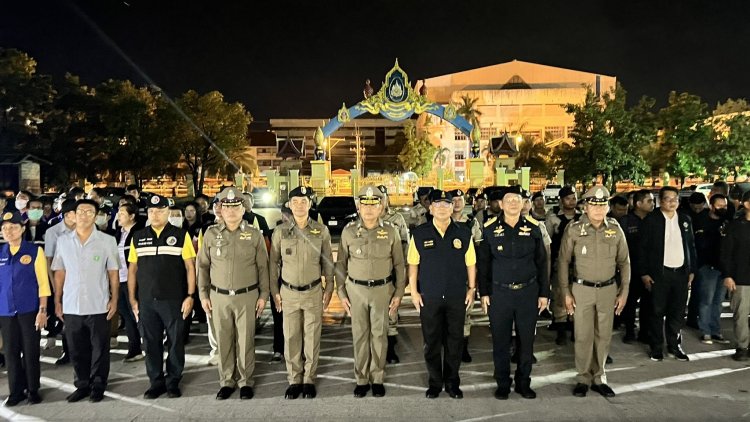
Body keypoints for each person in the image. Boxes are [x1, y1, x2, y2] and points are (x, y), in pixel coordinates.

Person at [197, 187, 270, 400]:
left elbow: (263, 267)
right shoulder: (211, 234)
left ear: (243, 209)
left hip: (246, 295)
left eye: (235, 206)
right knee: (224, 340)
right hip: (218, 297)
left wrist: (263, 295)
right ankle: (227, 381)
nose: (230, 211)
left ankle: (246, 381)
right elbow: (202, 266)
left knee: (246, 340)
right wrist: (203, 295)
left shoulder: (254, 234)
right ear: (221, 209)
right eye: (226, 207)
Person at [558, 186, 630, 398]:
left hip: (608, 289)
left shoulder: (615, 229)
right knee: (582, 336)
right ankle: (583, 378)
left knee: (604, 336)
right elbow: (563, 262)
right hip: (582, 289)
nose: (598, 210)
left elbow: (624, 263)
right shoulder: (574, 229)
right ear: (585, 207)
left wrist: (624, 291)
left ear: (607, 207)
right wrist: (566, 292)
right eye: (594, 205)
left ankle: (599, 377)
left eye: (602, 205)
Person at [478, 186, 548, 400]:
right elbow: (484, 264)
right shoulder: (489, 228)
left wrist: (544, 294)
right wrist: (484, 293)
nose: (513, 203)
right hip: (500, 294)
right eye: (508, 200)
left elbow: (542, 262)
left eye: (517, 199)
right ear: (501, 204)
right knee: (500, 341)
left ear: (523, 203)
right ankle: (502, 383)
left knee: (526, 342)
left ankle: (523, 382)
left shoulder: (534, 227)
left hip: (528, 293)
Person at [335, 185, 406, 398]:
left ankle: (377, 378)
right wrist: (341, 291)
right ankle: (361, 379)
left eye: (373, 204)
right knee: (360, 336)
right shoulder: (348, 231)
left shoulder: (391, 231)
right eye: (364, 204)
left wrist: (399, 293)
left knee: (379, 336)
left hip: (382, 290)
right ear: (358, 206)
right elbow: (340, 264)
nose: (368, 209)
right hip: (356, 290)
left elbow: (399, 265)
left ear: (382, 206)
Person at [408, 189, 476, 399]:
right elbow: (413, 264)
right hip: (430, 297)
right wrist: (414, 292)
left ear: (453, 207)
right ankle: (435, 383)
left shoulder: (464, 232)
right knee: (432, 342)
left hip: (456, 296)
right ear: (430, 208)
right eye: (438, 204)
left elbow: (471, 263)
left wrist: (472, 289)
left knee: (455, 342)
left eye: (447, 204)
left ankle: (452, 382)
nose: (443, 208)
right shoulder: (419, 234)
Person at [51, 199, 120, 403]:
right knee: (76, 347)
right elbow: (60, 273)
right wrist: (58, 300)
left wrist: (114, 299)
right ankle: (82, 384)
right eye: (80, 211)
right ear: (73, 214)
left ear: (95, 215)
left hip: (98, 303)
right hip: (72, 303)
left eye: (89, 211)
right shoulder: (63, 241)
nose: (84, 214)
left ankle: (98, 384)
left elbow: (113, 274)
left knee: (100, 347)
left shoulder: (107, 241)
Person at [128, 195, 196, 399]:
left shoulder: (181, 235)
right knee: (150, 342)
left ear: (168, 212)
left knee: (175, 342)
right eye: (151, 211)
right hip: (147, 301)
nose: (155, 214)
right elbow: (132, 270)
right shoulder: (138, 236)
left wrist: (190, 295)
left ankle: (173, 380)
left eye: (159, 211)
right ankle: (156, 381)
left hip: (174, 299)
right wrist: (133, 299)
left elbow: (190, 268)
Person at [270, 186, 335, 400]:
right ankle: (294, 379)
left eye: (304, 201)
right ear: (289, 204)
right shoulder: (280, 231)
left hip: (313, 291)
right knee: (291, 337)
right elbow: (273, 264)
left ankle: (309, 379)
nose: (299, 205)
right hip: (288, 292)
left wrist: (330, 287)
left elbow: (328, 262)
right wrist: (274, 290)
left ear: (310, 204)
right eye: (295, 201)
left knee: (312, 337)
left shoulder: (320, 231)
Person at [639, 186, 696, 362]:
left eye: (675, 199)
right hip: (659, 273)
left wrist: (691, 269)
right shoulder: (652, 220)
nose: (672, 202)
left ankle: (674, 345)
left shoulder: (685, 219)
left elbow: (691, 246)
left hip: (680, 273)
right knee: (656, 311)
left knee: (677, 312)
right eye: (668, 199)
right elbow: (642, 248)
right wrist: (644, 273)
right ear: (660, 201)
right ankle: (656, 347)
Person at [0, 211, 51, 406]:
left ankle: (32, 389)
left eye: (13, 227)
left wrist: (43, 310)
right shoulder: (1, 253)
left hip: (30, 310)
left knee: (30, 351)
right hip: (5, 311)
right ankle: (15, 391)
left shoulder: (33, 251)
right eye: (5, 229)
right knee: (10, 353)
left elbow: (43, 283)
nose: (9, 231)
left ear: (22, 229)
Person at [546, 185, 581, 345]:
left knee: (578, 298)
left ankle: (575, 330)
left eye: (574, 198)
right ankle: (561, 331)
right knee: (560, 297)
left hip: (580, 264)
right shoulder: (553, 217)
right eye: (568, 198)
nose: (572, 201)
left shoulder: (582, 217)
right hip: (559, 263)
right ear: (561, 200)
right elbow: (547, 243)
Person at [377, 185, 409, 364]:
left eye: (383, 197)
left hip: (392, 272)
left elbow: (405, 244)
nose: (380, 201)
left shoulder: (397, 218)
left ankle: (390, 348)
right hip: (373, 274)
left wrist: (403, 273)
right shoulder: (366, 218)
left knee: (391, 312)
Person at [449, 189, 481, 362]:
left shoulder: (470, 223)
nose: (457, 203)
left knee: (465, 314)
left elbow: (479, 248)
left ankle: (463, 348)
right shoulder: (440, 222)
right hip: (446, 275)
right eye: (453, 200)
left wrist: (474, 280)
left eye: (460, 199)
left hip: (465, 273)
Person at [43, 199, 77, 365]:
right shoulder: (53, 232)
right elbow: (49, 261)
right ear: (67, 215)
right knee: (65, 317)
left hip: (82, 280)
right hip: (62, 280)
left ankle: (81, 350)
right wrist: (56, 287)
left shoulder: (87, 229)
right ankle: (68, 351)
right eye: (76, 213)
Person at [619, 189, 655, 344]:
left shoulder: (654, 220)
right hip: (631, 268)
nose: (653, 204)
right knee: (630, 301)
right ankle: (629, 331)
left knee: (648, 302)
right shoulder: (625, 221)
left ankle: (645, 332)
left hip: (650, 268)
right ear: (638, 203)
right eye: (649, 201)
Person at [694, 194, 731, 345]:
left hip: (723, 269)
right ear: (711, 206)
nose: (723, 208)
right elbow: (699, 244)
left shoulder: (727, 222)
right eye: (720, 206)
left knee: (718, 301)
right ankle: (706, 331)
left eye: (725, 206)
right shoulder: (701, 221)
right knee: (706, 300)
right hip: (707, 267)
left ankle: (715, 331)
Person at [720, 190, 750, 361]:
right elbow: (726, 253)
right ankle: (742, 347)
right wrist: (728, 275)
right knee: (741, 315)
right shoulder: (735, 226)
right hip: (740, 278)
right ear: (746, 204)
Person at [114, 203, 144, 362]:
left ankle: (149, 345)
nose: (119, 216)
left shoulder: (138, 233)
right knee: (126, 314)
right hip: (119, 280)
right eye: (118, 213)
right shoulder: (119, 233)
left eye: (122, 213)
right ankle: (134, 348)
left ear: (132, 216)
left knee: (137, 314)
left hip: (133, 280)